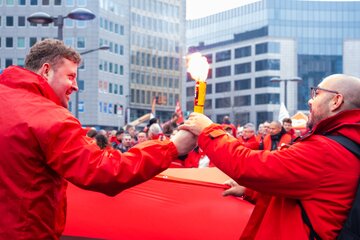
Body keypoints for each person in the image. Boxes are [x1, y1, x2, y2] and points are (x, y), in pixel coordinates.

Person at [0, 39, 196, 239]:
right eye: (71, 76)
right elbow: (105, 170)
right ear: (46, 71)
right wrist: (171, 148)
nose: (75, 86)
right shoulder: (48, 117)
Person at [179, 74, 360, 239]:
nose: (310, 101)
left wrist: (208, 130)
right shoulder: (343, 145)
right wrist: (252, 190)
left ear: (336, 100)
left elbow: (248, 164)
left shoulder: (326, 150)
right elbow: (298, 193)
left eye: (316, 94)